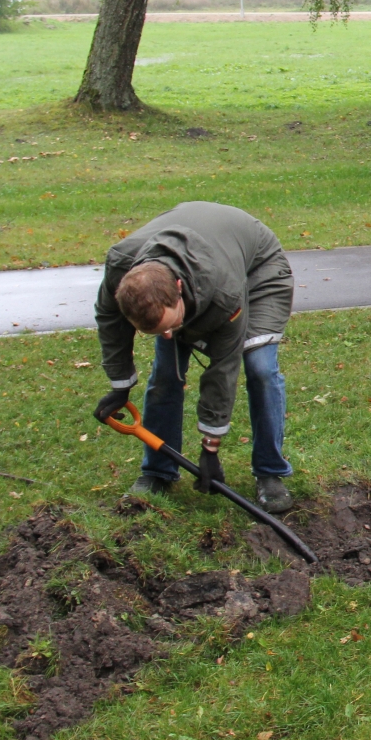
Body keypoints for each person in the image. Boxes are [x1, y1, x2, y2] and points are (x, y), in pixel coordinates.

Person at [93, 201, 296, 513]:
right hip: (202, 267)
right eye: (158, 330)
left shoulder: (225, 294)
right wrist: (121, 384)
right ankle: (157, 472)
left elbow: (223, 369)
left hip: (257, 269)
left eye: (172, 323)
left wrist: (210, 448)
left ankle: (270, 473)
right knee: (165, 372)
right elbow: (110, 320)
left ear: (177, 289)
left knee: (259, 368)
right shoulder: (122, 268)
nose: (168, 335)